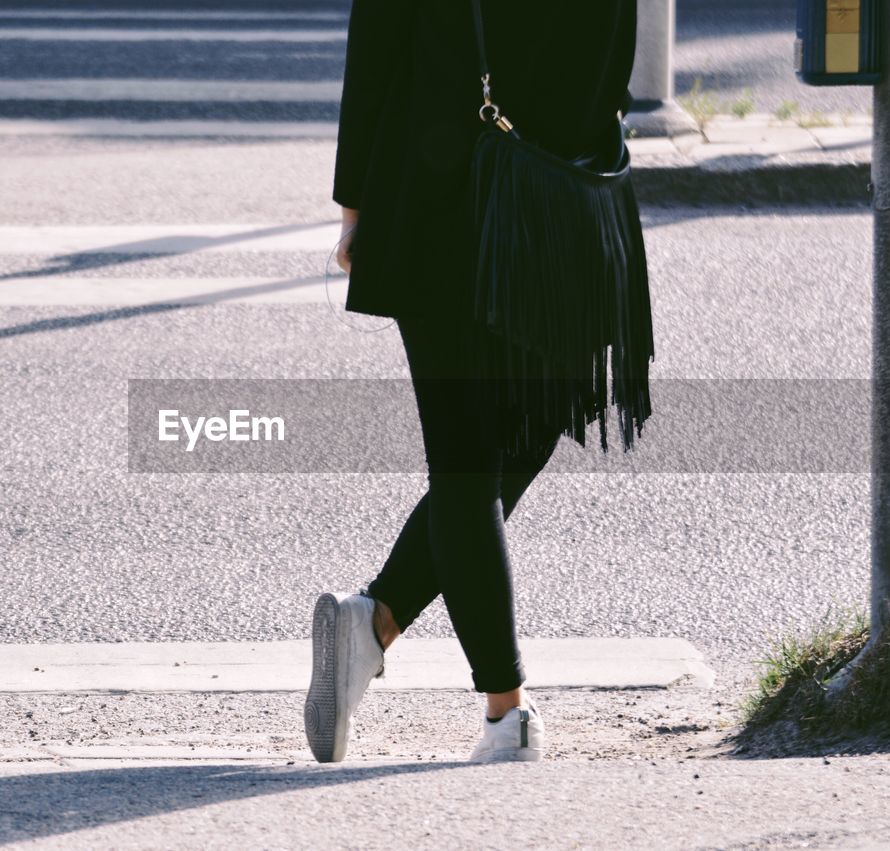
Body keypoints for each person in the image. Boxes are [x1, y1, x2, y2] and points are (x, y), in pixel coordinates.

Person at [304, 0, 643, 763]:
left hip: (535, 185)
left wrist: (357, 201)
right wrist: (357, 197)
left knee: (521, 433)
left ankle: (372, 623)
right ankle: (506, 711)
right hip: (461, 187)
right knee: (468, 456)